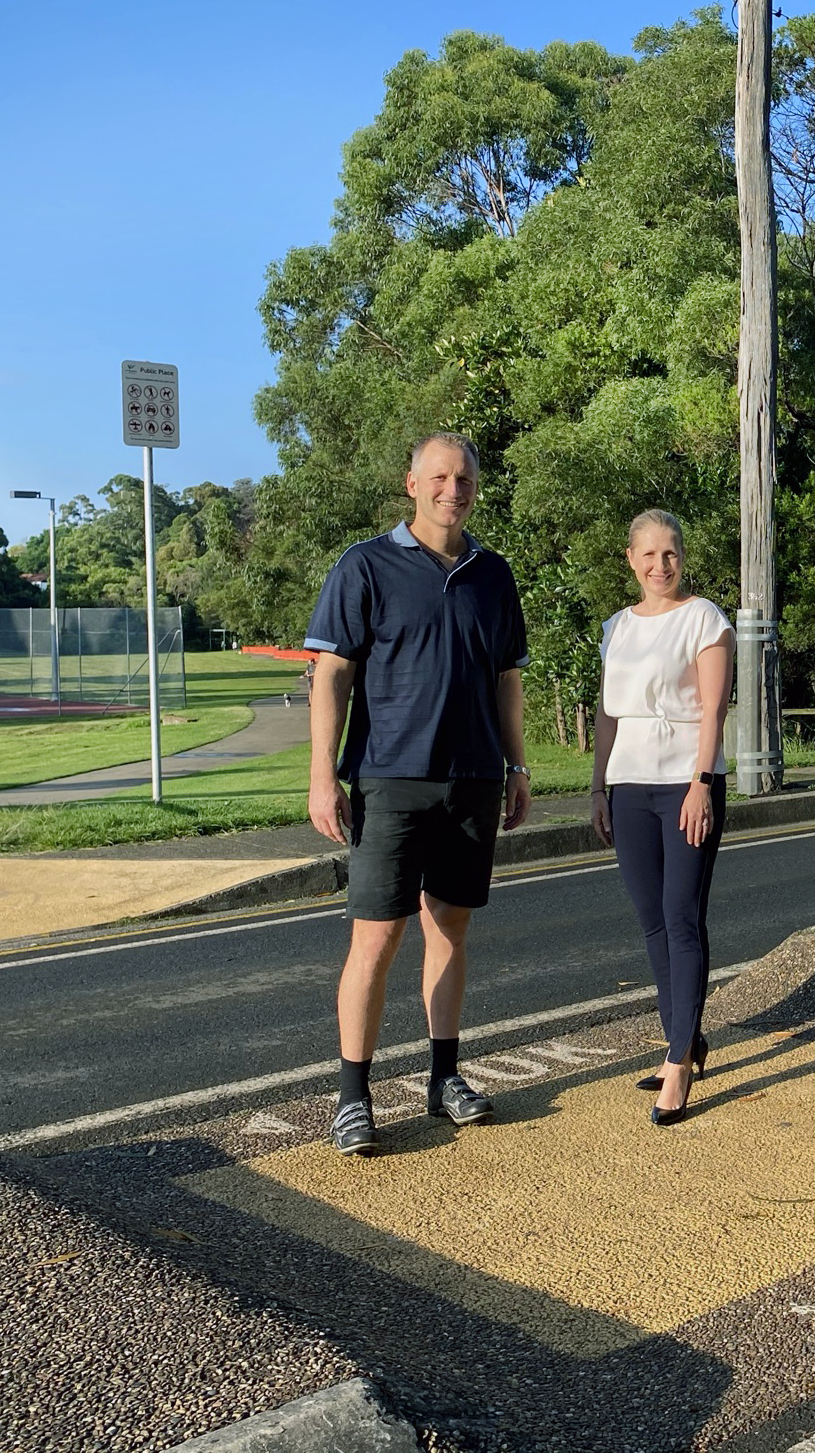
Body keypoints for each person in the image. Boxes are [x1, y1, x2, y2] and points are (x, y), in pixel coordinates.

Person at [304, 432, 533, 1155]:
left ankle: (443, 1077)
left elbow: (506, 682)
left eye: (463, 478)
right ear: (412, 483)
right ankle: (352, 1096)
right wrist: (322, 775)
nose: (452, 489)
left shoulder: (492, 574)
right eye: (438, 477)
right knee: (376, 939)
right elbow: (331, 676)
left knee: (450, 931)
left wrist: (517, 768)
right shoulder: (365, 565)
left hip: (472, 780)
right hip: (388, 778)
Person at [590, 510, 734, 1126]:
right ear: (631, 559)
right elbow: (607, 713)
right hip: (628, 784)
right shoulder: (617, 627)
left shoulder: (704, 619)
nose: (660, 566)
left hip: (685, 781)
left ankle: (679, 1062)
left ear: (682, 556)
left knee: (682, 918)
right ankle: (684, 1035)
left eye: (670, 553)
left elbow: (713, 709)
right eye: (648, 555)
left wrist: (701, 783)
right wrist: (598, 786)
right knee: (652, 922)